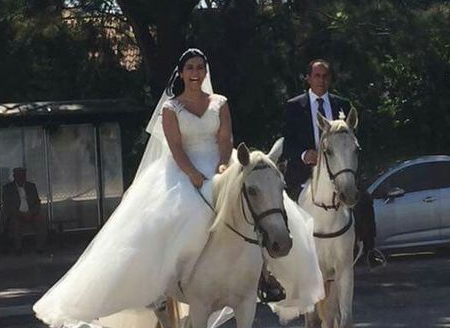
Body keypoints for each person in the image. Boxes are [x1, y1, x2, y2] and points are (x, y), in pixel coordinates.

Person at [33, 48, 322, 327]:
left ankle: (265, 275)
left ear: (205, 72)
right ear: (182, 73)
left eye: (199, 68)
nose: (195, 73)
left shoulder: (219, 102)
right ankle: (165, 279)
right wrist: (194, 175)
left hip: (221, 166)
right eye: (190, 68)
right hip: (183, 170)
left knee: (260, 205)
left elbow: (225, 139)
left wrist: (223, 166)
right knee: (185, 215)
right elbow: (175, 147)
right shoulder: (172, 108)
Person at [283, 59, 386, 269]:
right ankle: (282, 254)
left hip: (338, 170)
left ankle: (370, 249)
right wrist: (304, 154)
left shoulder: (343, 105)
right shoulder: (294, 106)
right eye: (317, 76)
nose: (321, 80)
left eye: (324, 76)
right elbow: (288, 143)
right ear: (308, 79)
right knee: (283, 204)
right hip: (305, 171)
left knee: (364, 199)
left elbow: (351, 141)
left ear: (329, 79)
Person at [2, 167, 47, 253]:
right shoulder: (8, 188)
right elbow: (7, 205)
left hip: (31, 213)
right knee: (15, 223)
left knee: (41, 219)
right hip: (16, 214)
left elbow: (37, 202)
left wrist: (31, 212)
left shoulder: (31, 186)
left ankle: (40, 248)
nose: (21, 178)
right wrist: (20, 214)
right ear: (14, 176)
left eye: (23, 176)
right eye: (19, 176)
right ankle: (18, 249)